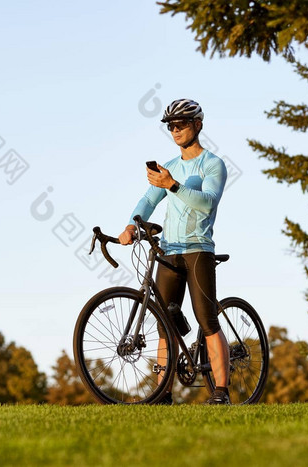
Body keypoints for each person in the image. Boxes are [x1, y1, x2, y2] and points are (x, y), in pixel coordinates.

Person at [118, 98, 230, 405]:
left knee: (206, 319)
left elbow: (208, 202)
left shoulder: (211, 164)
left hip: (198, 249)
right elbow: (147, 202)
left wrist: (174, 185)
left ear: (197, 125)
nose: (175, 130)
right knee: (163, 323)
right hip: (169, 249)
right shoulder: (170, 167)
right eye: (170, 126)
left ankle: (221, 391)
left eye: (180, 124)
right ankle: (162, 394)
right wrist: (131, 225)